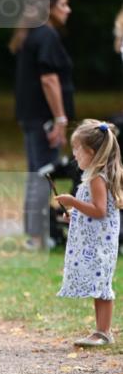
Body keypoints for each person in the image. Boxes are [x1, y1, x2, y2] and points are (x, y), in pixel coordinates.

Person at [10, 0, 74, 250]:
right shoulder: (46, 36)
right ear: (48, 8)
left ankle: (35, 235)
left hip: (30, 117)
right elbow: (49, 79)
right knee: (43, 173)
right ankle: (38, 237)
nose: (68, 10)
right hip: (43, 118)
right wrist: (59, 118)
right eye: (62, 5)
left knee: (36, 173)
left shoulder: (31, 35)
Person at [56, 120, 123, 346]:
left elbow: (100, 210)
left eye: (77, 149)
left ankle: (104, 332)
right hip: (97, 241)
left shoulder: (96, 178)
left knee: (102, 286)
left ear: (91, 152)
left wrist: (72, 201)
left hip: (99, 244)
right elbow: (93, 210)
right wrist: (75, 215)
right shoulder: (95, 176)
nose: (74, 155)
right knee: (99, 285)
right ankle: (100, 331)